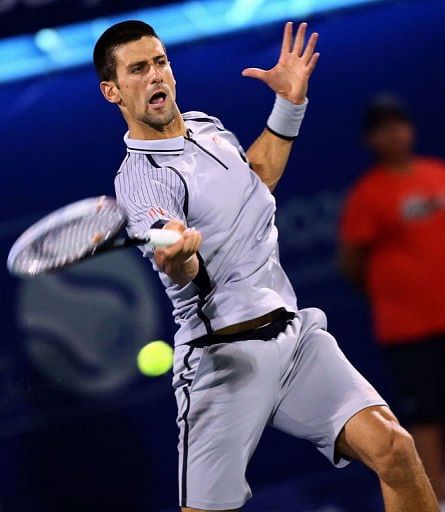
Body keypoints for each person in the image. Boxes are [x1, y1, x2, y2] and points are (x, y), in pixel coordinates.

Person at [93, 20, 438, 512]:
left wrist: (289, 104)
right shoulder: (141, 181)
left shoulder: (207, 126)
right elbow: (177, 260)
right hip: (223, 359)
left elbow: (258, 179)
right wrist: (179, 256)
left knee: (395, 449)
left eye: (161, 62)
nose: (156, 76)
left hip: (295, 341)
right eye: (138, 69)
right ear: (113, 91)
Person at [340, 94, 445, 510]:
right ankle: (435, 502)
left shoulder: (439, 174)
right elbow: (351, 262)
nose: (393, 134)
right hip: (406, 329)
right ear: (371, 140)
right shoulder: (368, 196)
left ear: (411, 129)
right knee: (425, 419)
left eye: (398, 124)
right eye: (382, 128)